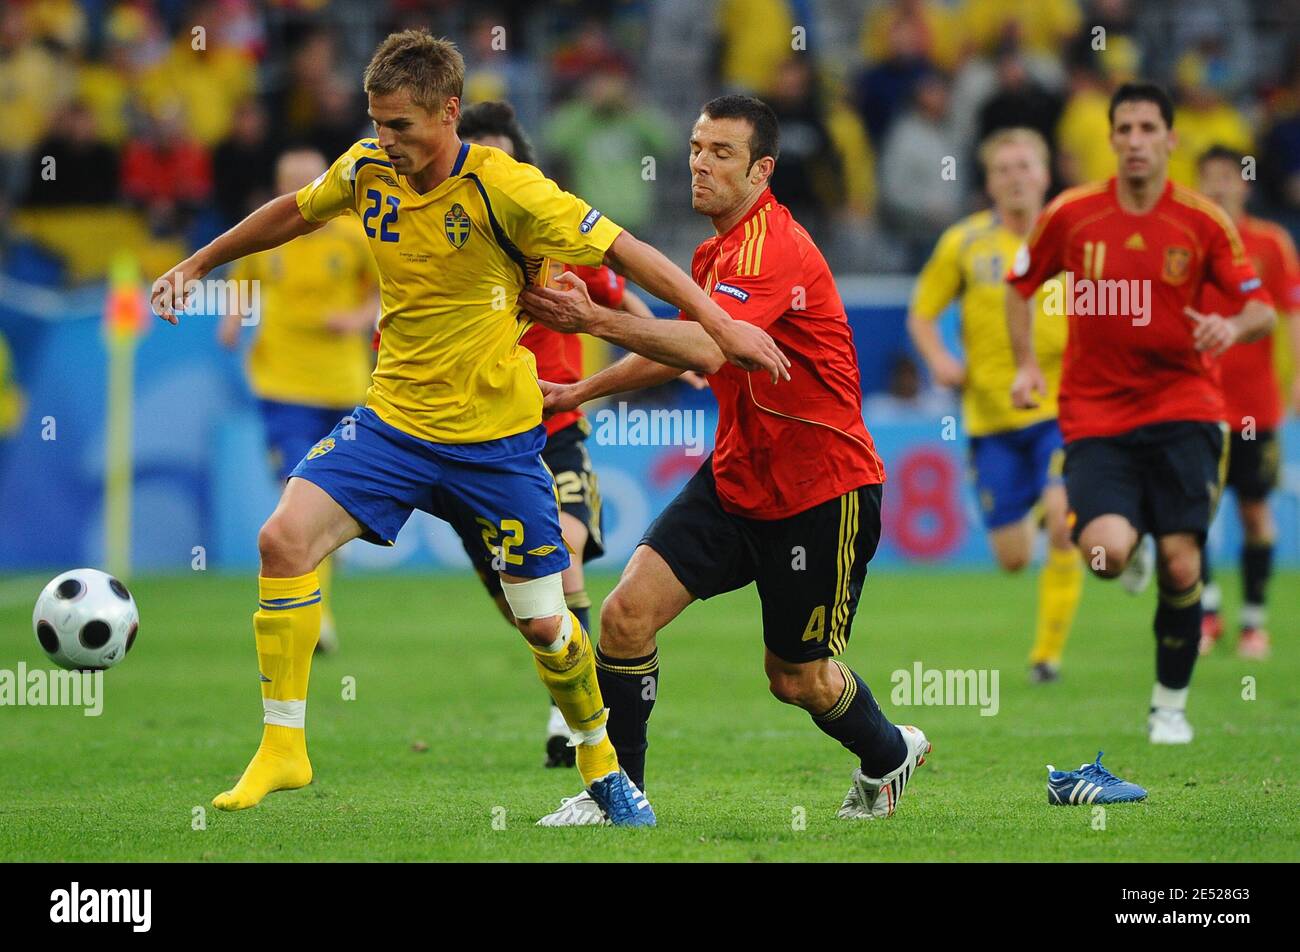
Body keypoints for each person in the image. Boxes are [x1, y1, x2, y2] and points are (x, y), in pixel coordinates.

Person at [151, 30, 788, 825]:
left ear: (448, 112)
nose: (386, 141)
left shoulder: (510, 188)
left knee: (548, 625)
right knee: (282, 540)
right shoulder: (367, 168)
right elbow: (293, 211)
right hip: (392, 424)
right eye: (377, 122)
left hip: (495, 442)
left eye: (402, 126)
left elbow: (630, 254)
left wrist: (718, 328)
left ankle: (599, 758)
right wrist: (196, 264)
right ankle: (284, 748)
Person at [522, 95, 930, 826]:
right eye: (696, 147)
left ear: (761, 170)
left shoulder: (772, 247)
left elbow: (711, 345)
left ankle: (887, 752)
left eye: (721, 153)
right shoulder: (713, 253)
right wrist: (581, 389)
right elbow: (687, 341)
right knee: (623, 617)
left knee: (795, 679)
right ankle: (616, 796)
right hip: (738, 475)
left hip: (819, 490)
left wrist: (593, 319)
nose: (700, 164)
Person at [1007, 82, 1276, 745]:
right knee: (1102, 552)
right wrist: (1027, 365)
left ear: (1169, 140)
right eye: (1123, 128)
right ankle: (1128, 557)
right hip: (1097, 415)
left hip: (1186, 406)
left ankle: (1169, 706)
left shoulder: (1203, 222)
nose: (1134, 140)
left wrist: (1231, 326)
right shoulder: (1072, 216)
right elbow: (1019, 286)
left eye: (1147, 128)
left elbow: (1262, 308)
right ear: (1111, 138)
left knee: (1184, 563)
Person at [448, 99, 658, 767]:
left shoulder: (551, 228)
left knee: (561, 547)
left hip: (555, 427)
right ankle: (566, 685)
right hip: (476, 440)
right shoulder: (449, 250)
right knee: (526, 605)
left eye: (500, 155)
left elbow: (615, 286)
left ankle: (570, 718)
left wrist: (669, 348)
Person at [909, 127, 1081, 683]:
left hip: (1062, 409)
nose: (1015, 177)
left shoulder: (1073, 239)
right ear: (988, 181)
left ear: (1044, 174)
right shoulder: (965, 244)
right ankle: (1044, 502)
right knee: (1011, 557)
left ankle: (1046, 657)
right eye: (1003, 168)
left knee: (1062, 523)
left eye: (1024, 165)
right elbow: (922, 312)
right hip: (990, 417)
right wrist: (939, 359)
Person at [217, 146, 379, 654]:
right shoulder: (268, 239)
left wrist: (357, 319)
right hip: (283, 384)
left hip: (345, 385)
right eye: (292, 182)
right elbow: (241, 285)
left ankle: (322, 577)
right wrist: (232, 318)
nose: (303, 194)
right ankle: (319, 614)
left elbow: (386, 292)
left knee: (327, 499)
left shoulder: (358, 237)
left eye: (311, 182)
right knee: (299, 491)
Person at [1195, 145, 1300, 659]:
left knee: (1256, 511)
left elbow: (1291, 313)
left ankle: (1254, 622)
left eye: (1227, 178)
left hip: (1256, 407)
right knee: (1192, 516)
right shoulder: (1188, 247)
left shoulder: (1272, 243)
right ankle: (1208, 614)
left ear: (1246, 184)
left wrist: (1298, 375)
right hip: (1196, 407)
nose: (1218, 187)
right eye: (1208, 178)